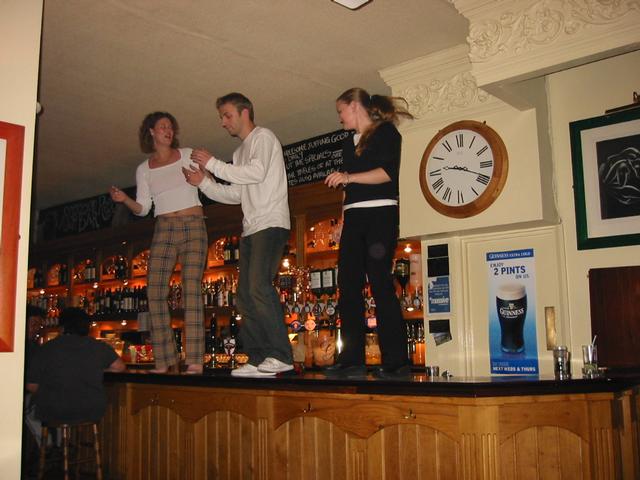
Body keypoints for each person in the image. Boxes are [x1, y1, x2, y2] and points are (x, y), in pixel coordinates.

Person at [184, 92, 293, 377]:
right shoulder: (239, 153)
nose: (223, 122)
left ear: (245, 112)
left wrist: (213, 164)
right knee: (244, 296)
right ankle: (258, 358)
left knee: (258, 287)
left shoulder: (263, 138)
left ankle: (281, 355)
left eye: (227, 115)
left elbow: (256, 173)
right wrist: (204, 182)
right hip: (251, 228)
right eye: (222, 117)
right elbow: (236, 194)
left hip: (271, 223)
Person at [324, 88, 413, 378]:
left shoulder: (386, 133)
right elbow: (347, 188)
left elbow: (387, 174)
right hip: (354, 216)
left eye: (341, 111)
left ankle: (397, 362)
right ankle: (351, 360)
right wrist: (342, 220)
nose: (339, 118)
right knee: (347, 285)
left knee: (380, 283)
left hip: (380, 214)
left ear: (354, 106)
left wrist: (349, 177)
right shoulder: (347, 143)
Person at [110, 111, 208, 374]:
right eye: (163, 127)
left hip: (193, 224)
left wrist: (205, 170)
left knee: (191, 288)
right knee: (154, 292)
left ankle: (195, 360)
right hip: (163, 227)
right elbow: (143, 209)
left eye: (170, 127)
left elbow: (206, 181)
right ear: (151, 132)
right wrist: (124, 200)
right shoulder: (144, 169)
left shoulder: (186, 154)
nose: (168, 131)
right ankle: (164, 361)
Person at [25, 308, 126, 425]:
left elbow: (31, 385)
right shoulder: (99, 346)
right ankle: (62, 436)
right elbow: (120, 367)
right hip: (91, 409)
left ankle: (53, 436)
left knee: (27, 407)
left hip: (54, 409)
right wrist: (94, 369)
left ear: (62, 327)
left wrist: (52, 391)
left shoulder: (46, 348)